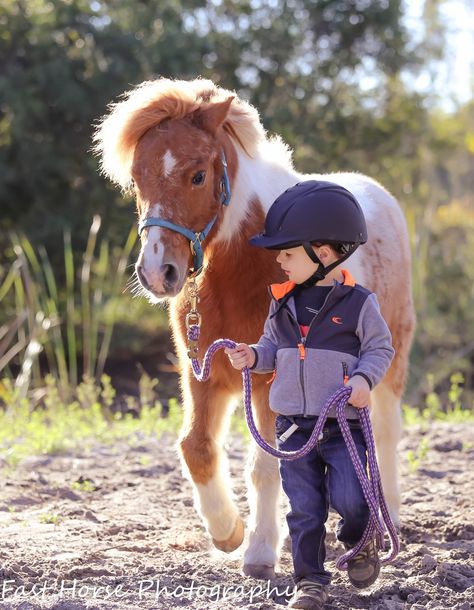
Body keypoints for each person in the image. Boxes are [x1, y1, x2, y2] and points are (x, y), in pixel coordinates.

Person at [225, 180, 395, 610]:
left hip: (342, 426)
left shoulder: (359, 304)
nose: (278, 261)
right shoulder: (280, 303)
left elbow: (380, 348)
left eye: (287, 253)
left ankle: (360, 538)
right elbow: (272, 349)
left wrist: (363, 380)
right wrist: (253, 356)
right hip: (293, 429)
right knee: (303, 510)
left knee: (352, 500)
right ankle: (310, 582)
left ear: (323, 254)